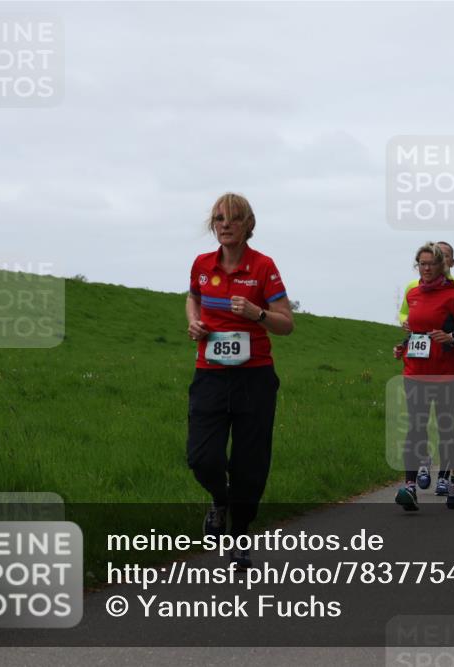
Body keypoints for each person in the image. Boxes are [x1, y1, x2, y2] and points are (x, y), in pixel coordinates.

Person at [186, 193, 294, 570]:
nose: (224, 224)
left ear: (248, 224)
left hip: (255, 378)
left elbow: (286, 323)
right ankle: (220, 499)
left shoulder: (263, 267)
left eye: (232, 218)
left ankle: (240, 535)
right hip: (210, 375)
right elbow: (194, 298)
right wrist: (194, 322)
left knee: (250, 463)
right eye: (218, 218)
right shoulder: (202, 265)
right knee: (202, 458)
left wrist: (257, 312)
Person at [394, 242, 454, 511]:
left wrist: (452, 337)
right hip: (415, 372)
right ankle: (409, 486)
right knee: (416, 427)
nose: (426, 268)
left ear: (442, 265)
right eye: (422, 263)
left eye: (431, 263)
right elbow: (418, 332)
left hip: (445, 373)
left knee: (445, 429)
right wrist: (404, 346)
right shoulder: (413, 294)